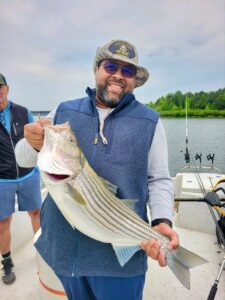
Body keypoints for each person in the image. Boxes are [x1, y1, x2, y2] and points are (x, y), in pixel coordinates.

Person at [15, 40, 179, 300]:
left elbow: (159, 179)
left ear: (135, 80)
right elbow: (22, 158)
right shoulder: (65, 110)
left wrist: (161, 221)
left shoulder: (150, 121)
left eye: (127, 71)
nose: (117, 76)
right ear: (96, 69)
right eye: (110, 66)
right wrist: (32, 143)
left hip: (119, 259)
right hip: (65, 253)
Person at [0, 73, 42, 285]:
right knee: (3, 221)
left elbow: (38, 142)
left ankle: (43, 253)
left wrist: (38, 169)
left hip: (29, 175)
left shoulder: (24, 112)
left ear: (7, 88)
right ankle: (7, 262)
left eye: (0, 87)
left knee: (36, 213)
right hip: (2, 180)